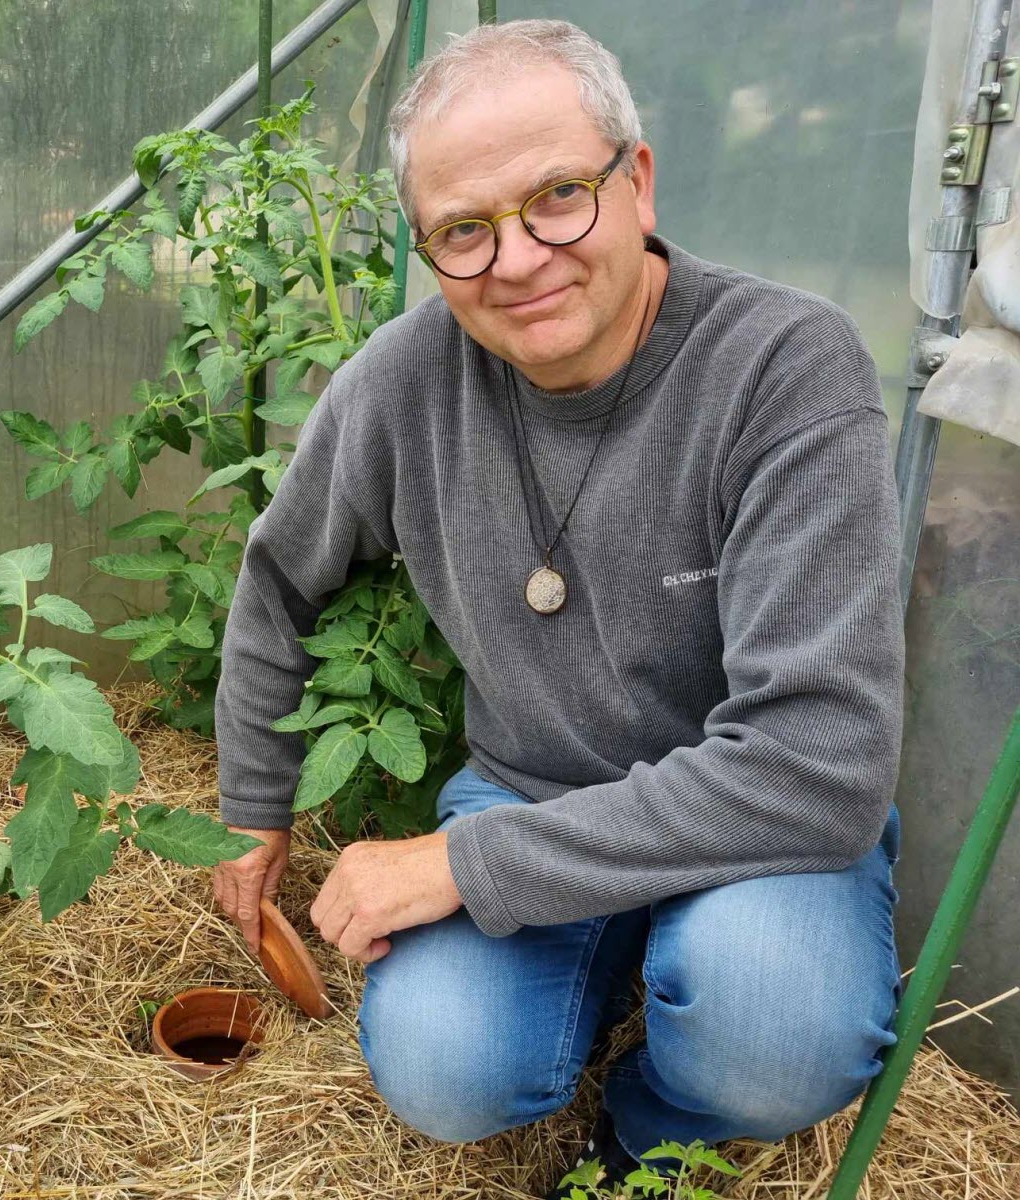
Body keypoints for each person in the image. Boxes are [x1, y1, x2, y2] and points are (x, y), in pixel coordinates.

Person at [209, 18, 904, 1197]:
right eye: (463, 231)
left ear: (635, 181)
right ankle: (601, 973)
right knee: (439, 1069)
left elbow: (818, 764)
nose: (518, 259)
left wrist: (464, 866)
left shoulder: (784, 366)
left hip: (758, 839)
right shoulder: (400, 384)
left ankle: (650, 1115)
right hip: (537, 782)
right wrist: (251, 807)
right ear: (427, 246)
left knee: (778, 1034)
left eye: (557, 198)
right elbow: (278, 580)